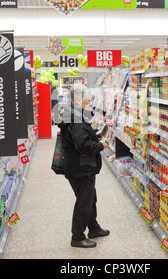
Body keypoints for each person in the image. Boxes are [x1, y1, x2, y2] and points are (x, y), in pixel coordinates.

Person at [57, 84, 110, 248]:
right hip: (80, 167)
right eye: (88, 100)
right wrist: (101, 146)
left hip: (78, 165)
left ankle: (93, 228)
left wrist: (97, 136)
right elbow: (83, 146)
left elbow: (81, 138)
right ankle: (77, 237)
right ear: (79, 100)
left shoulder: (74, 114)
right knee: (84, 201)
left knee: (90, 197)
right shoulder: (76, 119)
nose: (89, 103)